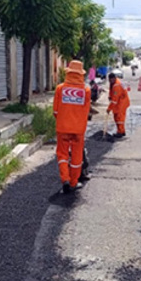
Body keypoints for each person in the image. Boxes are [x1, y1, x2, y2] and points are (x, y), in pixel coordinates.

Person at [54, 60, 92, 194]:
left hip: (62, 128)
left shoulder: (60, 89)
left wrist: (62, 120)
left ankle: (65, 179)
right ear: (81, 74)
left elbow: (55, 112)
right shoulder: (86, 91)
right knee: (77, 156)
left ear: (68, 73)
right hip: (78, 130)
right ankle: (74, 182)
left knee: (62, 154)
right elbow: (86, 111)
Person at [107, 72, 131, 138]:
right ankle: (121, 131)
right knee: (116, 116)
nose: (110, 81)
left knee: (119, 117)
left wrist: (109, 108)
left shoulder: (117, 85)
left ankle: (120, 132)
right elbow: (111, 91)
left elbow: (115, 100)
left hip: (122, 102)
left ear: (114, 78)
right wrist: (110, 96)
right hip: (120, 101)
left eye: (111, 80)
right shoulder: (114, 83)